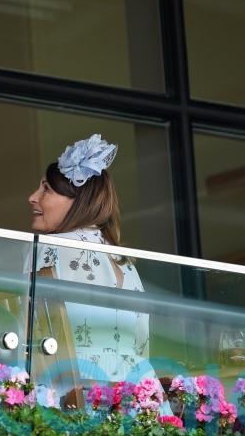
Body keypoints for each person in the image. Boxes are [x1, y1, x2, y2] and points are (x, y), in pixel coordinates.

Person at [28, 134, 169, 411]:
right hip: (138, 394)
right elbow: (142, 343)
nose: (32, 197)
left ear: (76, 200)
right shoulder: (124, 261)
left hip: (80, 390)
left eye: (46, 190)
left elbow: (33, 335)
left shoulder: (48, 248)